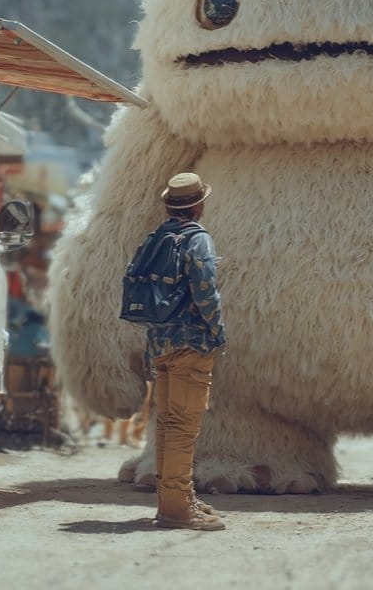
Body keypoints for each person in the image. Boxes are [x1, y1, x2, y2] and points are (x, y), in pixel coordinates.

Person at [145, 172, 226, 531]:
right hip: (191, 344)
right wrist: (217, 331)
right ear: (198, 206)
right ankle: (177, 510)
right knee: (181, 428)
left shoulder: (157, 237)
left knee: (167, 424)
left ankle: (175, 500)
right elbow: (205, 291)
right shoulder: (197, 239)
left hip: (160, 343)